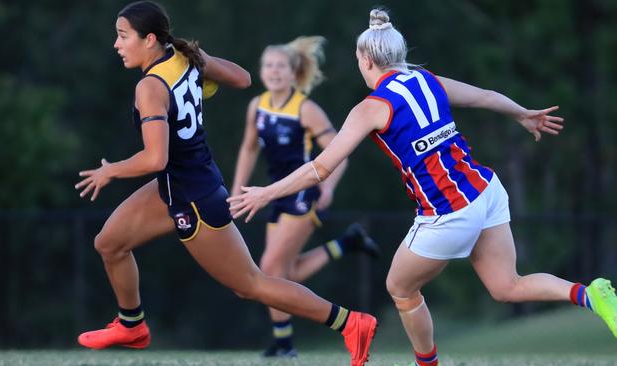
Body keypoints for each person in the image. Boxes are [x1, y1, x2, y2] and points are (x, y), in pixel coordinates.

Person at [228, 8, 617, 366]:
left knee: (399, 287)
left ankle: (427, 364)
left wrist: (264, 192)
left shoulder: (372, 106)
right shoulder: (427, 80)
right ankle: (591, 293)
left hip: (449, 212)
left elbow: (321, 167)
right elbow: (482, 97)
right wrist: (522, 114)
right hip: (487, 192)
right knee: (507, 285)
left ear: (365, 60)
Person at [74, 2, 377, 365]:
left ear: (150, 39)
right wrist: (200, 55)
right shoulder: (179, 57)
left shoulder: (150, 86)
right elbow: (243, 79)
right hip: (179, 185)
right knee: (109, 243)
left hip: (193, 197)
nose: (117, 44)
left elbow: (155, 158)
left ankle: (350, 323)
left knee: (250, 284)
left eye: (123, 36)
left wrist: (111, 171)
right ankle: (132, 325)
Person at [232, 36, 380, 357]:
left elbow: (340, 154)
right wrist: (236, 190)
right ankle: (346, 244)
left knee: (269, 268)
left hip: (303, 193)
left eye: (280, 66)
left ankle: (284, 342)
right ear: (261, 71)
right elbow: (248, 148)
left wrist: (327, 187)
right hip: (274, 194)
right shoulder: (256, 106)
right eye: (268, 65)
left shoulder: (306, 109)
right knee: (285, 273)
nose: (273, 71)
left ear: (293, 72)